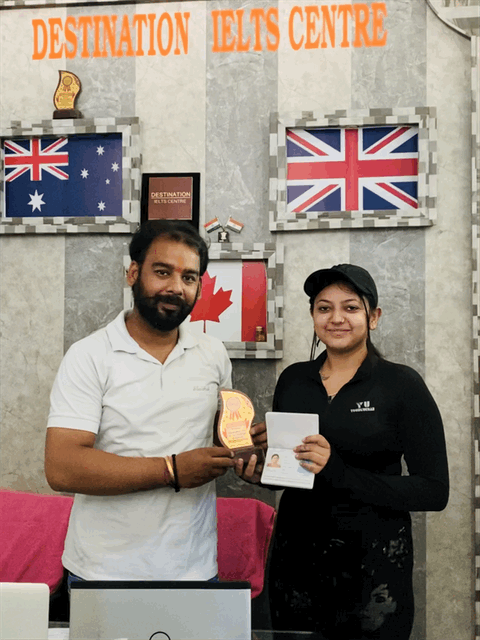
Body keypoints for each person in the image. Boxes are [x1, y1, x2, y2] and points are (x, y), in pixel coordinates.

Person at [44, 220, 264, 587]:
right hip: (102, 570)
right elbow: (62, 467)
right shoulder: (89, 355)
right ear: (133, 273)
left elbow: (221, 436)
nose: (176, 287)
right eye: (163, 272)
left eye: (189, 277)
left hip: (194, 566)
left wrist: (249, 453)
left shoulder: (212, 353)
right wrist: (171, 470)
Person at [267, 264, 449, 640]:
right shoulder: (293, 380)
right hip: (296, 567)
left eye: (350, 307)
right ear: (313, 316)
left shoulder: (401, 385)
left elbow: (434, 491)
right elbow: (288, 472)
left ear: (374, 317)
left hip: (373, 571)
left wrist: (338, 472)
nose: (336, 318)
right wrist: (261, 469)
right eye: (324, 308)